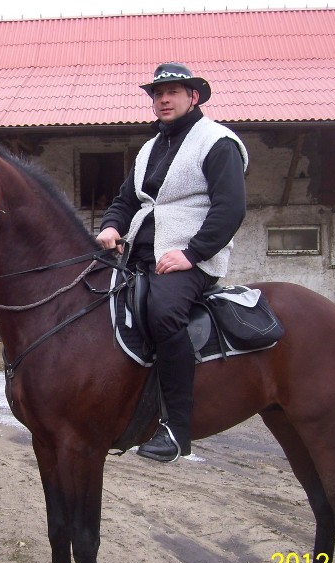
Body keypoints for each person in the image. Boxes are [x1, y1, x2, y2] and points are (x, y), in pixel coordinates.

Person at [96, 62, 248, 463]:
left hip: (189, 258)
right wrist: (112, 227)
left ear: (192, 97)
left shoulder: (218, 142)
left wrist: (192, 254)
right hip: (138, 252)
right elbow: (126, 201)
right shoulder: (150, 148)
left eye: (173, 92)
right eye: (157, 94)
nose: (163, 99)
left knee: (163, 313)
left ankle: (177, 428)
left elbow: (230, 208)